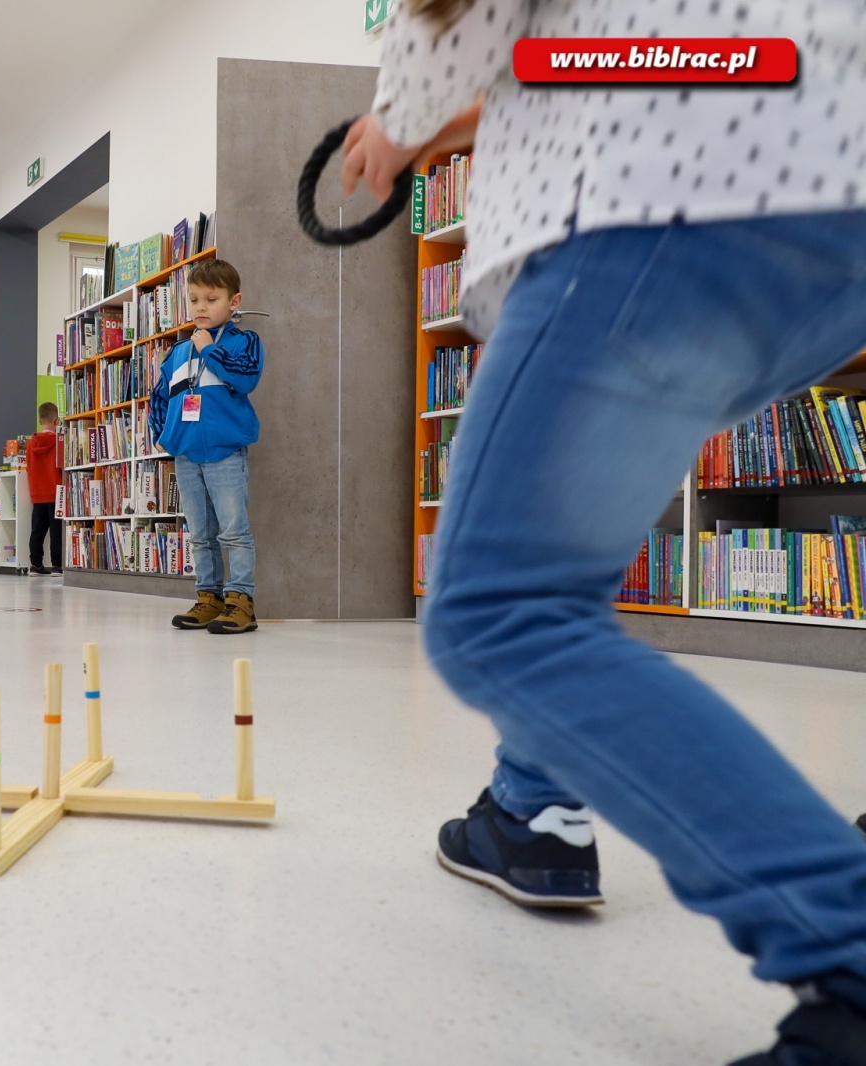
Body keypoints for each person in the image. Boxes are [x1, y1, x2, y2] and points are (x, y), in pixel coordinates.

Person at [341, 1, 866, 1062]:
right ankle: (531, 805)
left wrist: (396, 120)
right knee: (563, 547)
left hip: (672, 170)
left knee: (501, 605)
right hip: (832, 173)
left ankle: (844, 942)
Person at [148, 258, 263, 634]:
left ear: (234, 302)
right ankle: (209, 597)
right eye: (194, 299)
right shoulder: (177, 352)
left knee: (233, 531)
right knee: (200, 533)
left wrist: (211, 349)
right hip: (186, 456)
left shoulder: (242, 341)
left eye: (211, 299)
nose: (200, 307)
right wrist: (166, 436)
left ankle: (240, 601)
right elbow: (160, 397)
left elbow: (246, 379)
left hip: (225, 452)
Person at [26, 402, 64, 575]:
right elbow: (61, 466)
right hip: (55, 492)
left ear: (40, 421)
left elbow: (29, 467)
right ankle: (57, 564)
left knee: (37, 530)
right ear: (57, 421)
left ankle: (36, 564)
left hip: (37, 493)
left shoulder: (31, 444)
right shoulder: (59, 442)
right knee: (56, 531)